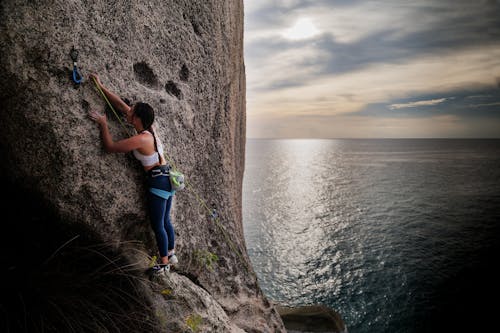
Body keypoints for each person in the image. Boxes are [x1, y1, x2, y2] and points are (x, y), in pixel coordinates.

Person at [88, 73, 178, 273]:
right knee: (166, 220)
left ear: (137, 119)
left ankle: (163, 264)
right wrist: (100, 86)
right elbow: (121, 106)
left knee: (158, 225)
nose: (127, 114)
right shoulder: (149, 127)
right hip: (167, 178)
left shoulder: (141, 140)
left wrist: (103, 124)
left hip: (158, 182)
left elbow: (111, 147)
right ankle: (171, 253)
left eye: (132, 113)